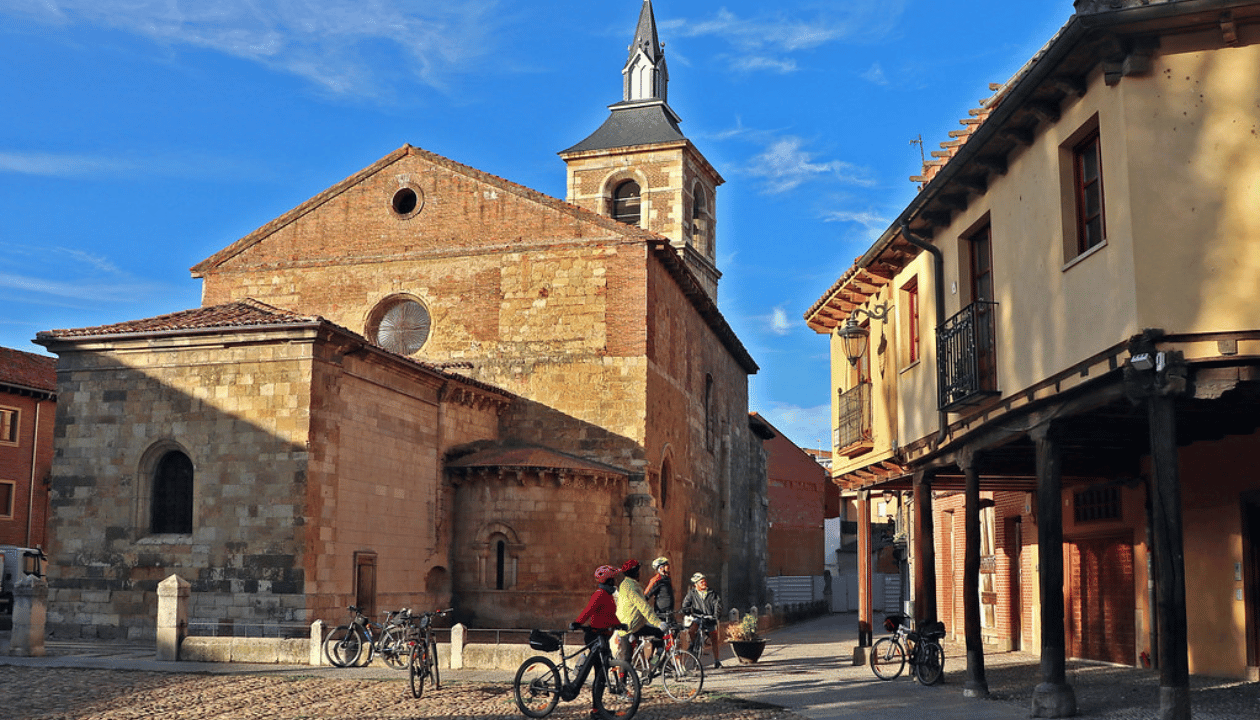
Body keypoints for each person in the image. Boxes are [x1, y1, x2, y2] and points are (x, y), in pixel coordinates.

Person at [573, 564, 622, 718]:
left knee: (601, 674)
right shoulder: (599, 594)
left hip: (604, 636)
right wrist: (578, 622)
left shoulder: (608, 597)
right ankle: (594, 707)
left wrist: (620, 624)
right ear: (607, 581)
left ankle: (597, 709)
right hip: (595, 637)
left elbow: (610, 616)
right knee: (598, 672)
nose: (614, 583)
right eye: (612, 580)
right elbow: (588, 610)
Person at [615, 559, 665, 663]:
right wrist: (658, 622)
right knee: (626, 659)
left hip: (637, 624)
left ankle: (653, 662)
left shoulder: (632, 584)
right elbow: (643, 606)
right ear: (636, 572)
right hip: (629, 626)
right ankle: (622, 680)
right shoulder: (630, 586)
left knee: (660, 634)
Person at [681, 572, 724, 668]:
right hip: (698, 617)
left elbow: (718, 604)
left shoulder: (712, 593)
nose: (704, 583)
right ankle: (693, 645)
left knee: (714, 637)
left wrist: (716, 615)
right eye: (701, 582)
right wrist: (687, 612)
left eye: (704, 581)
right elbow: (685, 604)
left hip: (709, 618)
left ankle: (717, 661)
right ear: (695, 585)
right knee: (692, 630)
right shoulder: (692, 593)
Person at [644, 556, 675, 621]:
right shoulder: (657, 579)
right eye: (667, 565)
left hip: (669, 613)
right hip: (661, 614)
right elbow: (647, 594)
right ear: (661, 568)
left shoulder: (667, 578)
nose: (669, 567)